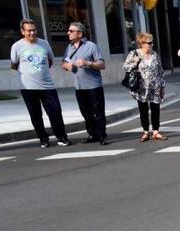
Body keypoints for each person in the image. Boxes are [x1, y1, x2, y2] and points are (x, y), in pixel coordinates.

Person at [10, 19, 71, 148]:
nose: (32, 33)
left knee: (55, 112)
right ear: (22, 32)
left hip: (47, 86)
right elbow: (14, 64)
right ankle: (43, 138)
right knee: (35, 115)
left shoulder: (44, 44)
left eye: (34, 30)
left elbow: (50, 61)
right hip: (28, 88)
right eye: (29, 30)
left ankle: (61, 137)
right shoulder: (17, 46)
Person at [61, 21, 107, 146]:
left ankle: (102, 135)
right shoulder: (69, 47)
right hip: (79, 87)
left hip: (93, 86)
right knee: (85, 112)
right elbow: (63, 63)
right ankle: (92, 134)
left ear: (80, 33)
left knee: (98, 112)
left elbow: (102, 64)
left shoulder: (91, 46)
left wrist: (88, 63)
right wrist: (68, 66)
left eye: (71, 31)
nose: (68, 33)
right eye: (69, 31)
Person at [124, 32, 167, 142]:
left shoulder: (155, 54)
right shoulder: (134, 54)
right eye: (149, 43)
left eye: (152, 43)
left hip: (155, 86)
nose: (151, 45)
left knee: (155, 109)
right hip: (141, 87)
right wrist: (135, 63)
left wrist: (162, 86)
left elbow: (160, 71)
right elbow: (126, 67)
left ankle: (156, 131)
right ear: (141, 43)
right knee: (143, 109)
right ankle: (145, 132)